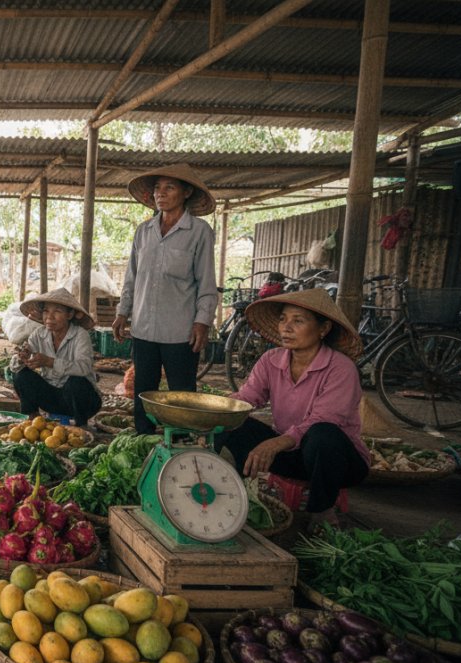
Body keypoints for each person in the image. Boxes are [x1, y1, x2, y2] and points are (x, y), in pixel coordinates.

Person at [217, 288, 371, 530]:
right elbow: (247, 398)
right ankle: (233, 494)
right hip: (292, 454)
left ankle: (322, 512)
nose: (286, 327)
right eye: (283, 319)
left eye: (297, 320)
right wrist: (212, 410)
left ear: (323, 329)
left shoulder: (341, 369)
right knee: (231, 422)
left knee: (322, 434)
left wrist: (275, 443)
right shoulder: (271, 360)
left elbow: (323, 419)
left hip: (337, 463)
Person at [113, 163, 219, 435]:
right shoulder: (144, 231)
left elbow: (206, 282)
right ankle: (142, 442)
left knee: (182, 397)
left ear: (186, 193)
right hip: (144, 328)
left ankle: (181, 446)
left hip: (180, 332)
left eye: (169, 187)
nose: (161, 193)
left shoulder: (199, 232)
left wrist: (202, 322)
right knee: (143, 392)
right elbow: (132, 277)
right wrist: (122, 312)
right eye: (157, 188)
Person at [10, 288, 102, 427]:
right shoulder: (39, 334)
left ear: (70, 314)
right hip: (53, 399)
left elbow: (84, 368)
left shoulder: (80, 335)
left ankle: (81, 425)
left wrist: (49, 362)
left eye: (57, 311)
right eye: (46, 311)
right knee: (21, 376)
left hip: (83, 402)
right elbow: (15, 366)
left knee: (76, 382)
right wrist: (22, 357)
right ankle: (34, 419)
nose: (49, 317)